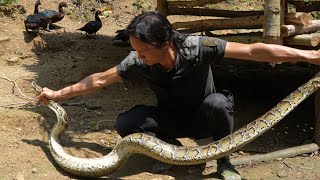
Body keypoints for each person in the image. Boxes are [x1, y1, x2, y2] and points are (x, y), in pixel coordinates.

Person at [37, 11, 320, 179]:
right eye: (136, 50)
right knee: (126, 123)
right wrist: (57, 94)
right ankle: (173, 151)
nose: (139, 56)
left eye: (144, 50)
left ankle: (224, 159)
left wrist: (308, 55)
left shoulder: (197, 47)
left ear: (165, 43)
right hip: (172, 118)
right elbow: (99, 79)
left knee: (218, 103)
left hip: (204, 116)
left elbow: (254, 50)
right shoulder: (138, 61)